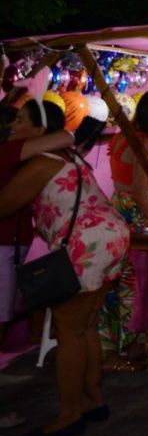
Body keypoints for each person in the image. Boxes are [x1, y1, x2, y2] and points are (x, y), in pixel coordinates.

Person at [0, 99, 129, 436]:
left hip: (86, 243)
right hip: (111, 236)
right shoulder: (69, 156)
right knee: (85, 327)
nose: (12, 127)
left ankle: (69, 414)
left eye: (20, 121)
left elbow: (4, 205)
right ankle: (92, 400)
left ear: (40, 130)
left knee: (68, 331)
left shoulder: (41, 162)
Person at [99, 89, 148, 369]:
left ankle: (127, 344)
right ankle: (133, 346)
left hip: (120, 211)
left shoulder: (123, 137)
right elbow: (140, 192)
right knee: (138, 283)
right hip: (135, 216)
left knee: (122, 281)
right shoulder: (142, 144)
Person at [0, 106, 76, 352]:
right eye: (12, 121)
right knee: (3, 312)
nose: (13, 126)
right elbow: (66, 136)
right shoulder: (8, 151)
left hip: (13, 241)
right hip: (5, 243)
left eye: (18, 120)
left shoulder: (26, 156)